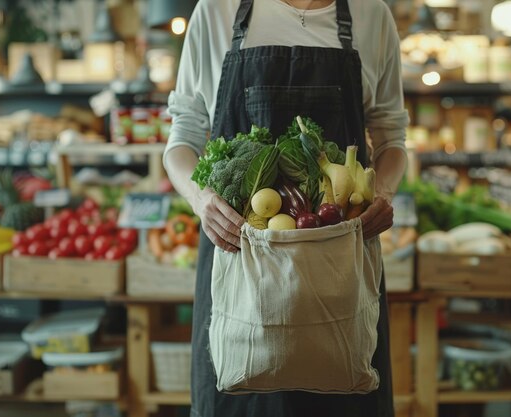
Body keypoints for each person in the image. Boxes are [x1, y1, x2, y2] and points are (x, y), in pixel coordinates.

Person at [163, 0, 409, 416]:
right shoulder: (216, 12)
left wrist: (381, 193)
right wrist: (201, 200)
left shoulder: (372, 15)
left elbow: (391, 140)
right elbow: (182, 140)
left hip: (340, 273)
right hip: (240, 267)